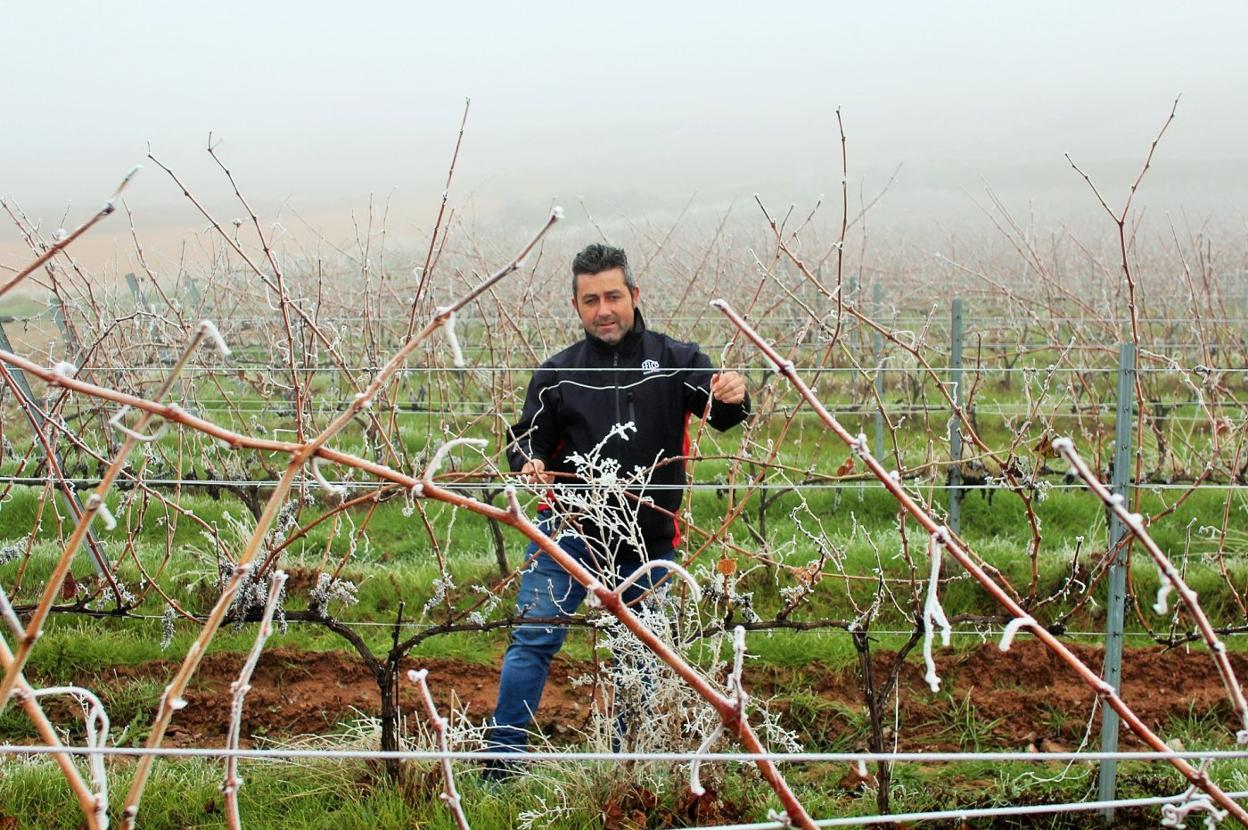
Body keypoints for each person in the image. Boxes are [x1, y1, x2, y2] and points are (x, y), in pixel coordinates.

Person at [486, 243, 750, 761]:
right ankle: (500, 761)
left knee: (642, 656)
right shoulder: (558, 372)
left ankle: (625, 761)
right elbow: (526, 440)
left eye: (612, 296)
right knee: (534, 639)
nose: (602, 310)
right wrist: (529, 463)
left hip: (647, 541)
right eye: (590, 300)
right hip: (567, 531)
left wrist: (733, 394)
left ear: (634, 295)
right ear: (577, 307)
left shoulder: (677, 360)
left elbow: (717, 409)